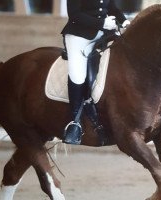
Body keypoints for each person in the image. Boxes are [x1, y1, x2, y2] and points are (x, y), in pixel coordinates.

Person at [61, 0, 130, 145]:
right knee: (78, 74)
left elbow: (112, 7)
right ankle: (75, 122)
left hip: (104, 33)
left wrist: (125, 21)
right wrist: (102, 24)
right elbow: (75, 15)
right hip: (79, 35)